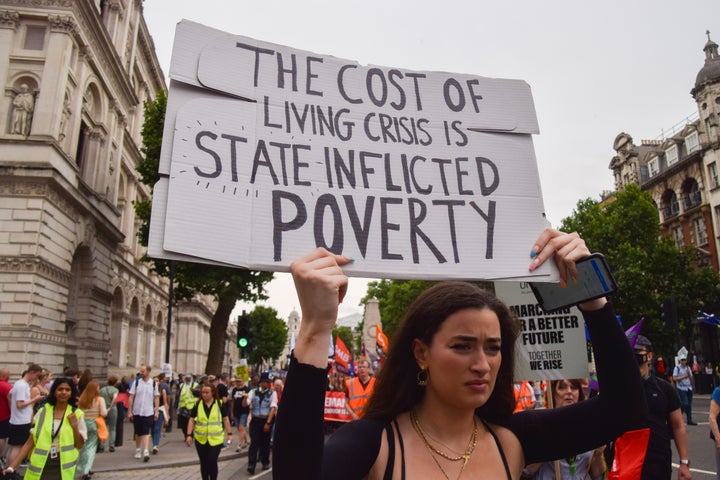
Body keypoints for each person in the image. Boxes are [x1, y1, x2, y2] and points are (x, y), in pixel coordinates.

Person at [273, 229, 646, 479]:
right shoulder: (373, 445)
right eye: (462, 346)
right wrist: (316, 329)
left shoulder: (513, 440)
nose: (482, 364)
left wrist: (593, 298)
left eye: (494, 348)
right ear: (421, 353)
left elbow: (624, 408)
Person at [614, 335, 691, 479]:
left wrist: (684, 463)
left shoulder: (665, 389)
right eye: (630, 352)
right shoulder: (617, 389)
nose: (634, 356)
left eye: (638, 353)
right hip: (626, 461)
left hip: (658, 461)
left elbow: (678, 425)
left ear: (649, 356)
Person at [2, 377, 86, 479]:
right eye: (60, 389)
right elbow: (29, 443)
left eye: (67, 390)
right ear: (54, 391)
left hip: (62, 467)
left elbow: (79, 444)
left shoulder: (76, 414)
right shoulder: (43, 412)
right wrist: (11, 467)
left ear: (72, 393)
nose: (64, 392)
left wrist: (74, 426)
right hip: (40, 465)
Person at [522, 379, 606, 479]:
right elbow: (526, 472)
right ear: (552, 394)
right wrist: (545, 445)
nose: (569, 391)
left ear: (579, 393)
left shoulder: (589, 426)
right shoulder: (540, 425)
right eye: (562, 387)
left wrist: (598, 455)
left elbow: (598, 476)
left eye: (573, 388)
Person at [185, 383, 232, 480]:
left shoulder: (219, 403)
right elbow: (191, 420)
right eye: (203, 393)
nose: (204, 395)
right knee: (204, 462)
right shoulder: (198, 404)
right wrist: (189, 435)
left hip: (216, 439)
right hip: (200, 439)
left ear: (213, 393)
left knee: (212, 460)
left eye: (207, 392)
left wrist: (229, 434)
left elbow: (225, 419)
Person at [7, 364, 43, 469]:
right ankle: (11, 469)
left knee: (14, 446)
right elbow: (20, 404)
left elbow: (9, 396)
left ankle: (8, 469)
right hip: (21, 420)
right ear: (32, 372)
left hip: (18, 419)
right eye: (37, 375)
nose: (37, 378)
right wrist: (34, 399)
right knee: (18, 446)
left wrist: (13, 409)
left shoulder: (19, 384)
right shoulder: (22, 385)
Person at [244, 372, 277, 474]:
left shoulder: (272, 393)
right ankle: (251, 464)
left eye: (268, 382)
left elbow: (273, 408)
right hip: (255, 420)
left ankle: (265, 461)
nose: (267, 384)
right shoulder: (253, 392)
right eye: (265, 382)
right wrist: (245, 398)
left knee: (265, 443)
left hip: (265, 420)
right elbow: (246, 404)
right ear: (261, 382)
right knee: (254, 442)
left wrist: (268, 422)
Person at [127, 365, 159, 462]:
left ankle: (145, 451)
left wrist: (156, 411)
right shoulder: (136, 383)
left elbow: (156, 397)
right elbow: (131, 397)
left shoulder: (153, 384)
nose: (141, 373)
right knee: (138, 432)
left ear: (148, 372)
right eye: (141, 371)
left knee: (146, 431)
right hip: (137, 411)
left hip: (148, 411)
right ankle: (138, 449)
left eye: (143, 371)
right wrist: (129, 411)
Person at [76, 381, 107, 480]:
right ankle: (86, 469)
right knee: (92, 447)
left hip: (83, 424)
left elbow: (78, 412)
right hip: (94, 423)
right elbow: (103, 413)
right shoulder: (99, 399)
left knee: (84, 446)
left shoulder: (82, 399)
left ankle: (82, 467)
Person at [673, 354, 696, 425]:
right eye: (682, 360)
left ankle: (689, 419)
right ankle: (679, 416)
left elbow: (691, 378)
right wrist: (683, 377)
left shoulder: (688, 368)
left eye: (684, 360)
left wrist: (690, 377)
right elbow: (674, 378)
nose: (683, 361)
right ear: (680, 360)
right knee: (684, 403)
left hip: (688, 388)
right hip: (681, 388)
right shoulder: (677, 368)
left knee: (689, 404)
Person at [99, 376, 119, 453]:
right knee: (112, 428)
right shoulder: (115, 390)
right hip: (112, 409)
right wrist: (110, 407)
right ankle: (111, 445)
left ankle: (101, 445)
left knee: (103, 427)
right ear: (115, 383)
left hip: (103, 409)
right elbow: (115, 398)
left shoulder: (102, 389)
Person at [229, 377, 250, 451]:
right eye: (236, 381)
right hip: (236, 411)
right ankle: (246, 441)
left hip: (244, 411)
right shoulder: (234, 390)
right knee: (239, 428)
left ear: (243, 381)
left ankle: (239, 445)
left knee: (241, 427)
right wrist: (231, 412)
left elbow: (249, 402)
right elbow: (232, 402)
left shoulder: (247, 389)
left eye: (239, 381)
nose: (237, 383)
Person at [151, 375, 169, 454]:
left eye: (157, 381)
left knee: (157, 428)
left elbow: (165, 403)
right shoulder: (149, 390)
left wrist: (167, 414)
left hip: (160, 410)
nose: (155, 382)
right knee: (152, 428)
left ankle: (155, 445)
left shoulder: (163, 391)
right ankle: (154, 443)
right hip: (150, 410)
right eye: (154, 381)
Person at [177, 373, 198, 437]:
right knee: (183, 423)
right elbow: (180, 395)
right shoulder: (182, 385)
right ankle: (186, 434)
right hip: (183, 406)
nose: (187, 379)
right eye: (186, 378)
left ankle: (190, 435)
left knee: (191, 422)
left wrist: (193, 391)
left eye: (189, 378)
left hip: (192, 406)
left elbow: (198, 394)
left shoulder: (195, 385)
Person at [0, 368, 12, 464]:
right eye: (9, 375)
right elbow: (10, 402)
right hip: (4, 415)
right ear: (5, 376)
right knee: (2, 437)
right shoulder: (7, 386)